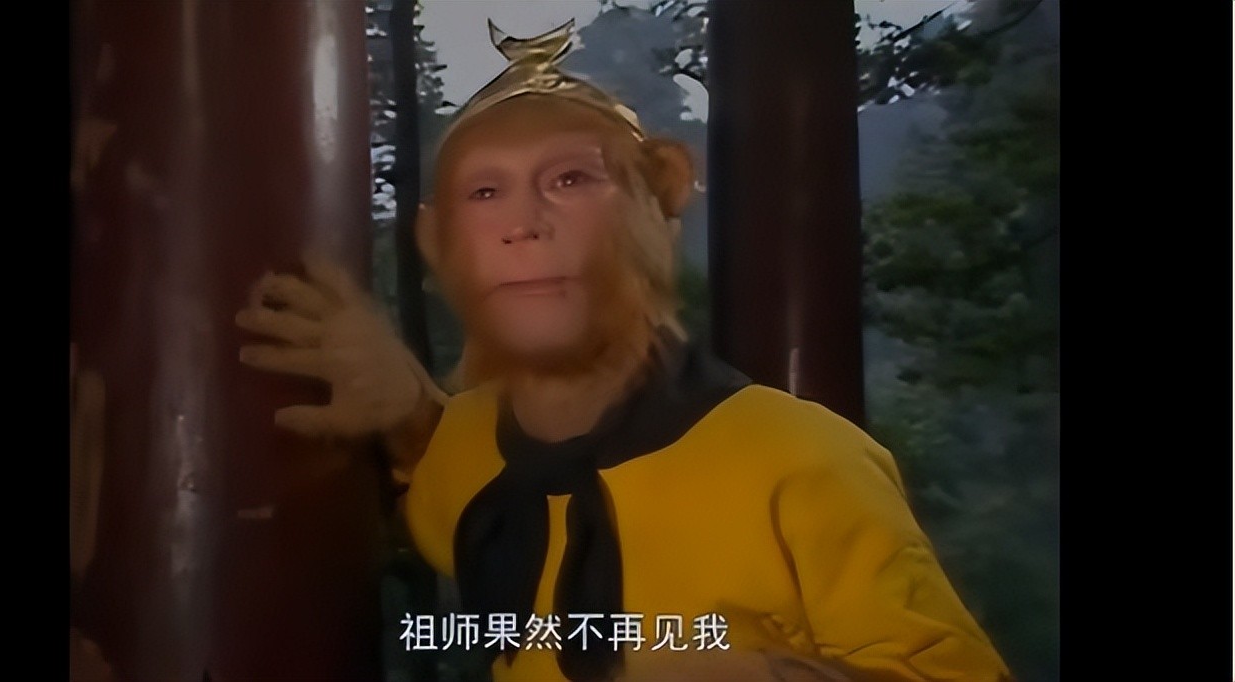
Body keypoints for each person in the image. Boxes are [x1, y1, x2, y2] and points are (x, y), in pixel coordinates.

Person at [236, 19, 1012, 682]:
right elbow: (449, 475)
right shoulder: (468, 447)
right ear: (437, 243)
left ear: (661, 196)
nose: (524, 224)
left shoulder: (802, 460)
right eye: (486, 192)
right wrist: (405, 404)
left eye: (570, 179)